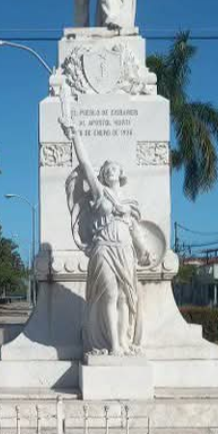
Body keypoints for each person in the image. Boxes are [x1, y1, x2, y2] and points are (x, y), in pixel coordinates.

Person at [61, 118, 153, 355]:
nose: (110, 169)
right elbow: (85, 163)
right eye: (107, 168)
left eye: (114, 167)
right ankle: (112, 345)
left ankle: (122, 342)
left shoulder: (129, 203)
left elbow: (134, 229)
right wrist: (74, 135)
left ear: (121, 173)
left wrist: (143, 250)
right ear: (102, 174)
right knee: (110, 293)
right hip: (103, 249)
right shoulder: (100, 193)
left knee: (125, 298)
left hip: (125, 251)